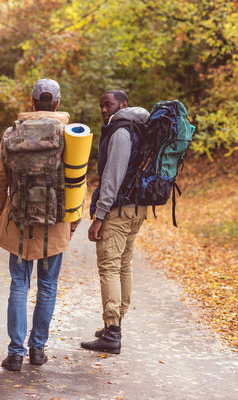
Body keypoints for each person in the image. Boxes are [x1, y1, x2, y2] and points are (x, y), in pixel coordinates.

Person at [0, 79, 80, 371]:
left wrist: (2, 214)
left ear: (32, 102)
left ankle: (15, 353)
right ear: (57, 103)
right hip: (54, 223)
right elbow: (76, 179)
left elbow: (0, 179)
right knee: (47, 285)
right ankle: (38, 350)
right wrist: (74, 218)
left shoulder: (11, 133)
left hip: (18, 220)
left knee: (19, 284)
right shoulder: (69, 134)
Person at [80, 90, 150, 354]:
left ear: (123, 104)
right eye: (101, 105)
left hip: (119, 211)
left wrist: (99, 216)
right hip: (136, 209)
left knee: (110, 267)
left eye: (108, 104)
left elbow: (112, 177)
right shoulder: (140, 128)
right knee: (123, 265)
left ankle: (112, 332)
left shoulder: (121, 132)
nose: (104, 109)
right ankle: (115, 323)